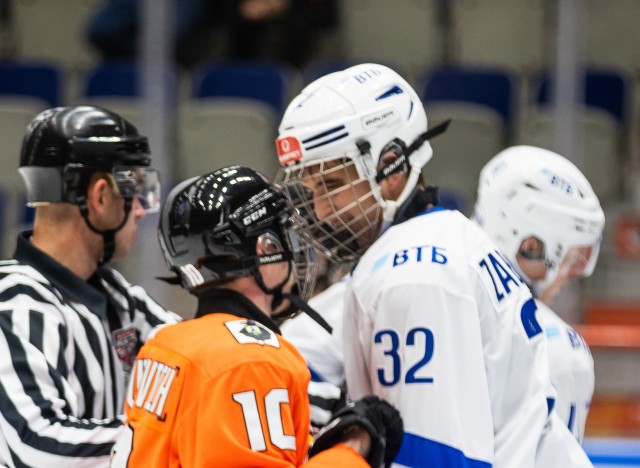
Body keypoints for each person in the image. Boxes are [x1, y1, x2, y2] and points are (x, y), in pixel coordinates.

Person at [274, 63, 587, 467]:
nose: (319, 210)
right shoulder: (441, 240)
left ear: (391, 166)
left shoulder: (412, 275)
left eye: (332, 186)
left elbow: (434, 457)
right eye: (311, 189)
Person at [110, 165, 404, 467]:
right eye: (285, 236)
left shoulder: (164, 343)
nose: (295, 250)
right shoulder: (252, 357)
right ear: (265, 250)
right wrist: (352, 448)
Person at [0, 105, 181, 467]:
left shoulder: (119, 297)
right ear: (100, 197)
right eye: (138, 189)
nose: (143, 210)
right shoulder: (16, 306)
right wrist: (179, 433)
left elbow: (200, 359)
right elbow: (36, 446)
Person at [473, 145, 605, 443]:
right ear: (530, 247)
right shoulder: (555, 347)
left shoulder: (427, 289)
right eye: (572, 258)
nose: (572, 274)